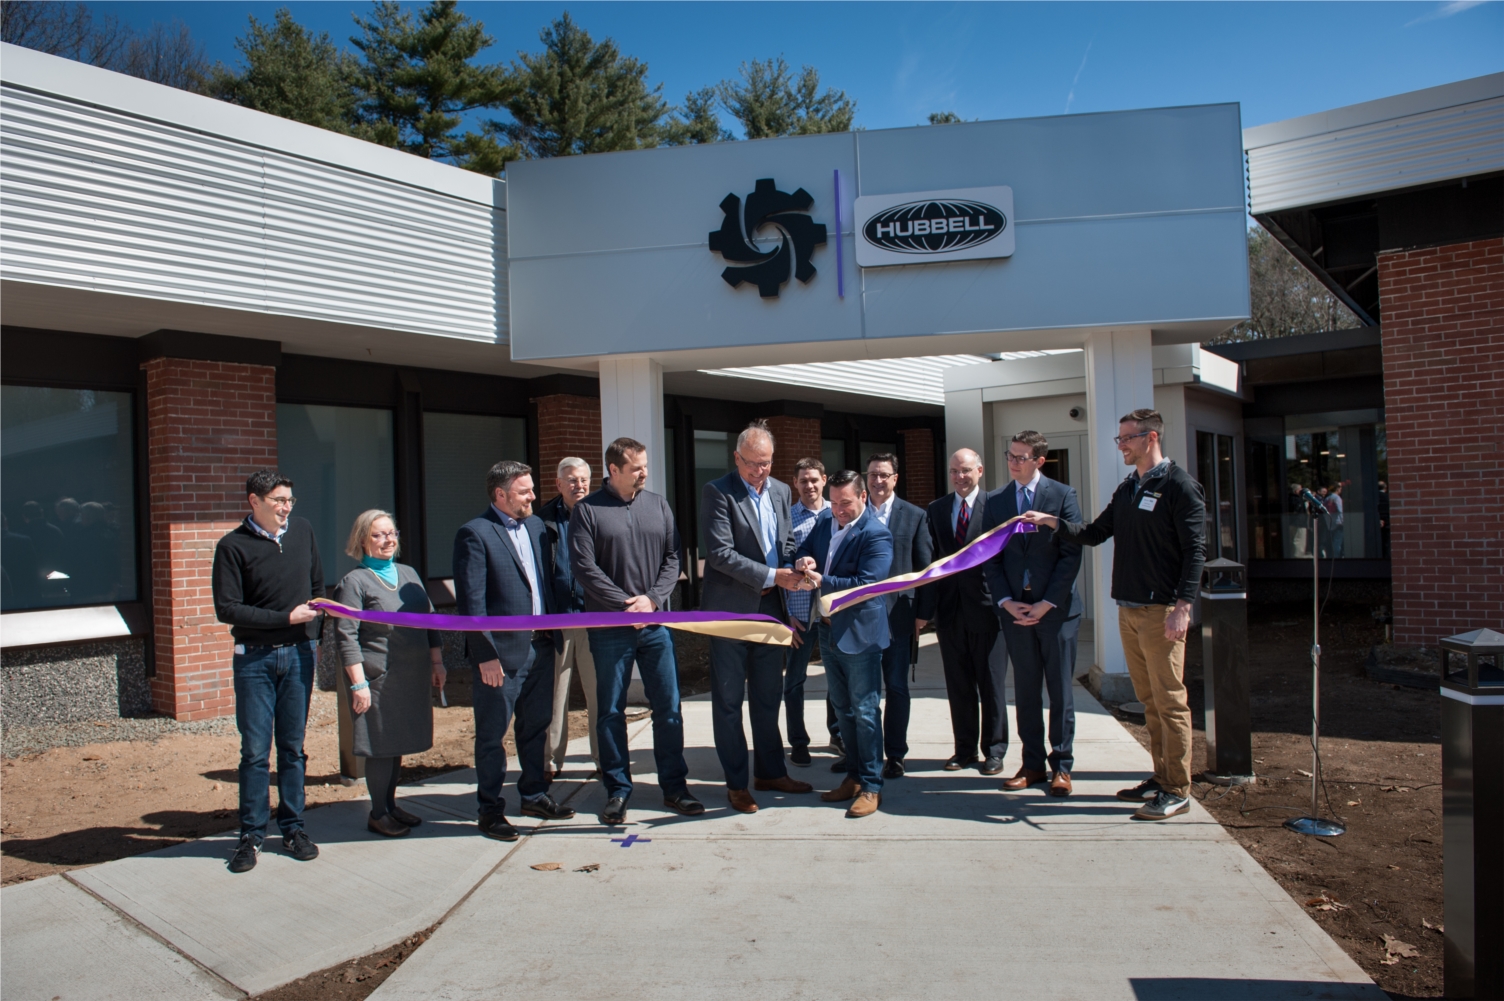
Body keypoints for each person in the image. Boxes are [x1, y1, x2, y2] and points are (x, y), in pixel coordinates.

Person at [1018, 409, 1206, 821]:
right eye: (1118, 439)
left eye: (1127, 439)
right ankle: (1160, 778)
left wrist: (1183, 606)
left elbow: (1196, 551)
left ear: (1150, 437)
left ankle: (1177, 789)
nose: (1120, 445)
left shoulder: (1179, 486)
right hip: (1130, 607)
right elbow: (1095, 533)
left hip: (1162, 611)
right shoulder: (1131, 487)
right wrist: (1052, 521)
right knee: (1150, 701)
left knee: (1170, 702)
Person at [570, 437, 703, 826]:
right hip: (610, 626)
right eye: (636, 468)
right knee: (610, 710)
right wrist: (626, 604)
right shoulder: (588, 511)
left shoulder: (658, 505)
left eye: (645, 466)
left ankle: (675, 788)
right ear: (613, 470)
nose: (644, 473)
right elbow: (584, 568)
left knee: (669, 708)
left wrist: (652, 600)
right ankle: (617, 790)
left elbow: (673, 557)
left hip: (655, 624)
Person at [453, 460, 576, 842]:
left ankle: (534, 794)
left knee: (535, 728)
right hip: (500, 657)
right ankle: (490, 810)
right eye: (525, 491)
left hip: (541, 647)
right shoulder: (475, 534)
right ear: (500, 495)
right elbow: (472, 604)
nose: (534, 497)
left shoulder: (537, 526)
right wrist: (485, 654)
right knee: (492, 736)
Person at [211, 469, 325, 873]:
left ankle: (293, 828)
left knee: (292, 749)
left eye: (290, 500)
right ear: (254, 501)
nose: (286, 508)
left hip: (299, 655)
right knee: (255, 752)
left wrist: (314, 632)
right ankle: (251, 836)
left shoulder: (304, 531)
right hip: (255, 660)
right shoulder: (231, 546)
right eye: (278, 500)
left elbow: (317, 587)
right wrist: (285, 617)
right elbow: (227, 609)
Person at [700, 421, 812, 812]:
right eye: (751, 463)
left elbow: (786, 541)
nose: (758, 471)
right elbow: (720, 554)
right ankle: (736, 783)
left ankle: (770, 771)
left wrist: (796, 562)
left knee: (768, 697)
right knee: (730, 700)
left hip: (770, 610)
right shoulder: (718, 492)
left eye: (765, 463)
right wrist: (771, 575)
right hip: (730, 610)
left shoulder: (781, 491)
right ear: (736, 458)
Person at [982, 432, 1084, 797]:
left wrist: (1047, 603)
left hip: (1055, 612)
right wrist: (1007, 601)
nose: (1014, 462)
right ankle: (1031, 765)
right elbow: (988, 556)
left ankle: (1062, 767)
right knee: (1025, 691)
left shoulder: (1061, 496)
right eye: (1010, 455)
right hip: (1015, 611)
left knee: (1059, 692)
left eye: (1022, 457)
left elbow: (1072, 554)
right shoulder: (996, 500)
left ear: (1040, 460)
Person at [333, 510, 446, 837]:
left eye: (391, 533)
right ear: (362, 540)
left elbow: (432, 621)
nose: (388, 540)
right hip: (377, 678)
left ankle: (391, 805)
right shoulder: (354, 582)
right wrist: (358, 684)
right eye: (378, 535)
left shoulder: (409, 573)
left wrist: (437, 663)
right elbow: (346, 635)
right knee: (379, 744)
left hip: (411, 675)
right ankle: (378, 813)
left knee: (395, 742)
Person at [795, 470, 894, 818]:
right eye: (834, 502)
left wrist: (824, 580)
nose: (837, 510)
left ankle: (871, 785)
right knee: (843, 708)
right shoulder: (826, 521)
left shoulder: (876, 534)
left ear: (864, 497)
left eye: (845, 503)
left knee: (866, 711)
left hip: (861, 635)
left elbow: (867, 585)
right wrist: (803, 560)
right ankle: (853, 775)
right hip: (828, 629)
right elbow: (806, 547)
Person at [835, 452, 930, 779]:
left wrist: (922, 614)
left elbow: (924, 567)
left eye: (884, 475)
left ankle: (896, 754)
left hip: (896, 617)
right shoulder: (849, 514)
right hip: (857, 619)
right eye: (873, 474)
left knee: (896, 687)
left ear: (895, 479)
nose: (877, 481)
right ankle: (858, 755)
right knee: (858, 693)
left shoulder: (915, 516)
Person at [924, 448, 1005, 774]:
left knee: (992, 685)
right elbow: (931, 560)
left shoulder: (996, 507)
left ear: (980, 471)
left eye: (966, 470)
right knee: (958, 685)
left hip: (987, 610)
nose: (960, 477)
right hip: (949, 612)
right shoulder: (937, 509)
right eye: (954, 471)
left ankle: (995, 751)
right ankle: (965, 750)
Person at [540, 457, 597, 779]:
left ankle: (605, 760)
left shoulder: (601, 515)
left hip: (595, 619)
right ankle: (550, 762)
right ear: (559, 484)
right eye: (572, 480)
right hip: (558, 620)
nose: (579, 486)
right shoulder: (543, 521)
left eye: (584, 480)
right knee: (555, 697)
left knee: (600, 693)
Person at [783, 457, 832, 765]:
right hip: (798, 614)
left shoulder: (838, 513)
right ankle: (798, 741)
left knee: (836, 678)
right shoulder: (786, 519)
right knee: (794, 681)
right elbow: (781, 566)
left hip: (830, 612)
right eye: (803, 480)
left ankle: (837, 733)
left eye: (814, 479)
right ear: (795, 483)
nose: (809, 485)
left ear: (824, 480)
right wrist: (783, 617)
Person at [1325, 482, 1345, 558]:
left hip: (1330, 523)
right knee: (1337, 543)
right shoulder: (1337, 498)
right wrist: (1342, 520)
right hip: (1338, 523)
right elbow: (1340, 510)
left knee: (1331, 543)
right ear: (1337, 489)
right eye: (1340, 488)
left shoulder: (1327, 498)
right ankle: (1336, 558)